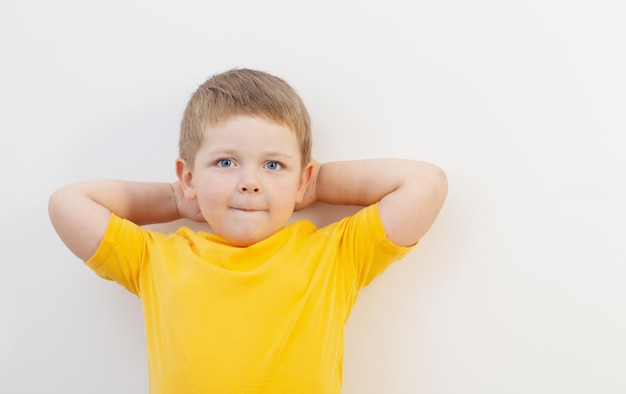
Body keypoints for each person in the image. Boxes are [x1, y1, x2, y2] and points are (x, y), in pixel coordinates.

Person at [48, 68, 448, 393]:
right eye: (225, 163)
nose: (250, 182)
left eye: (273, 165)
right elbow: (68, 205)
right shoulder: (156, 258)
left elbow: (423, 185)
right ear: (188, 176)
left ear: (301, 177)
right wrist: (175, 200)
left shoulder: (335, 255)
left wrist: (315, 185)